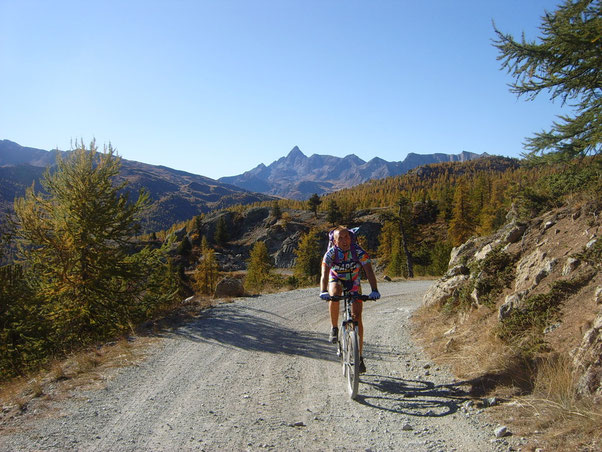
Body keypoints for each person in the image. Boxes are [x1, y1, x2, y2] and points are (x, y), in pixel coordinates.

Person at [319, 226, 380, 373]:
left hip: (354, 281)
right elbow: (324, 275)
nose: (344, 240)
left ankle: (359, 357)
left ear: (351, 238)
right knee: (334, 294)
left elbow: (369, 271)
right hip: (336, 279)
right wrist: (323, 291)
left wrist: (374, 290)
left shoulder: (358, 252)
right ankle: (334, 328)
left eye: (347, 237)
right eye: (340, 238)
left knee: (357, 317)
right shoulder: (331, 254)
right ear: (334, 240)